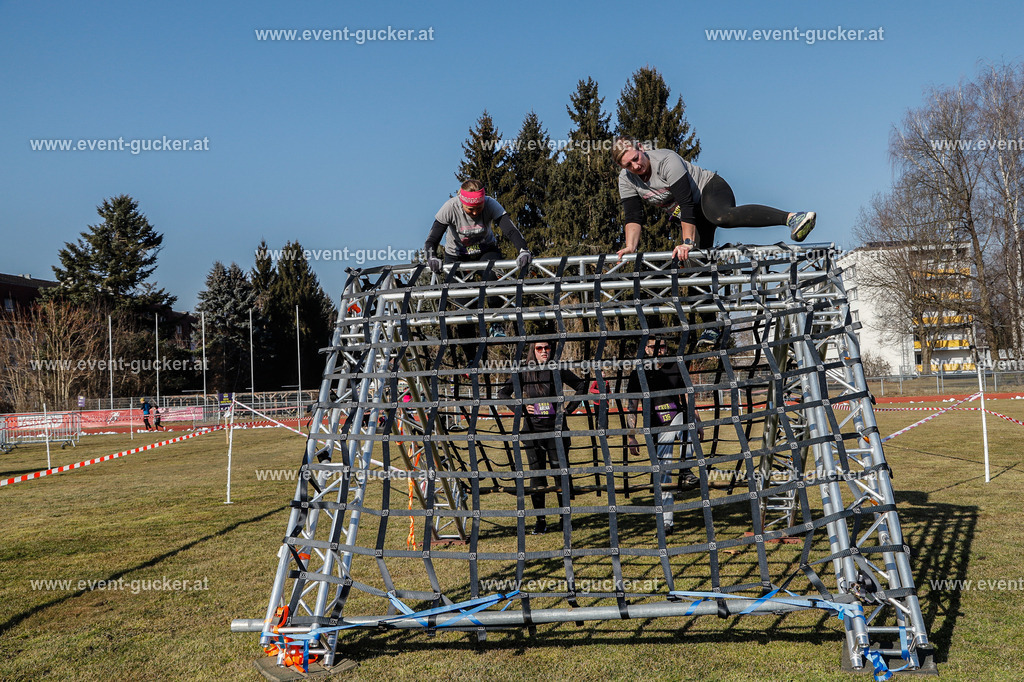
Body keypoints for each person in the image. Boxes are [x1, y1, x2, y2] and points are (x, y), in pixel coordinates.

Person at [612, 137, 815, 347]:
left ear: (641, 148)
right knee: (693, 266)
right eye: (628, 165)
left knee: (721, 216)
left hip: (710, 191)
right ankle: (711, 327)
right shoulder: (626, 180)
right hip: (694, 215)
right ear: (622, 167)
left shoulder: (666, 160)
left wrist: (688, 241)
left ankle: (792, 218)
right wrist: (630, 246)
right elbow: (633, 216)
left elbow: (686, 204)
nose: (636, 166)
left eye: (636, 158)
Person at [423, 179, 533, 361]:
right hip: (457, 257)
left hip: (485, 251)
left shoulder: (490, 204)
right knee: (464, 305)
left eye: (478, 208)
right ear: (461, 202)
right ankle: (470, 357)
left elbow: (511, 230)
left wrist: (523, 250)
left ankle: (496, 324)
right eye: (470, 209)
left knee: (493, 277)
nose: (475, 213)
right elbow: (431, 240)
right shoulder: (450, 207)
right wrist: (432, 257)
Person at [498, 341, 587, 534]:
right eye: (539, 348)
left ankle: (565, 518)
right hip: (532, 432)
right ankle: (540, 520)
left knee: (560, 475)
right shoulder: (523, 371)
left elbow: (581, 385)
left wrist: (569, 409)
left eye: (547, 348)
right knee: (537, 476)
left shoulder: (557, 369)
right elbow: (502, 393)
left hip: (557, 431)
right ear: (533, 350)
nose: (544, 351)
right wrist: (521, 407)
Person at [625, 337, 704, 534]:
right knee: (663, 475)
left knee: (686, 421)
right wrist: (631, 436)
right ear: (646, 349)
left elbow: (688, 396)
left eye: (662, 346)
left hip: (677, 418)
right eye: (654, 347)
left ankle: (685, 468)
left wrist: (699, 421)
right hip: (655, 428)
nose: (659, 350)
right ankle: (667, 522)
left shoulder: (676, 366)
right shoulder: (639, 372)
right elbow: (632, 406)